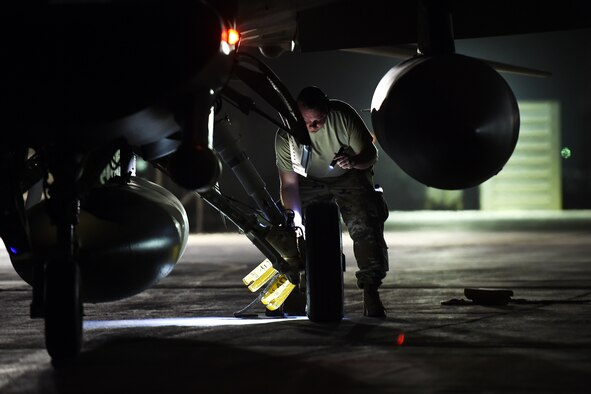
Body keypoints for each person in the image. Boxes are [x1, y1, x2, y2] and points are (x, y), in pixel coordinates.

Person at [275, 86, 389, 318]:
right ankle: (300, 286)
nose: (314, 127)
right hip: (309, 181)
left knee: (365, 222)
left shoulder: (343, 116)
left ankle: (370, 290)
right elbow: (289, 185)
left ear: (327, 111)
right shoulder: (286, 135)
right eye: (308, 122)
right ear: (296, 115)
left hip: (349, 175)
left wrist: (354, 162)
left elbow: (370, 154)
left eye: (319, 120)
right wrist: (295, 221)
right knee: (291, 234)